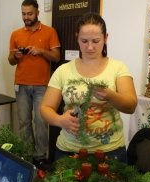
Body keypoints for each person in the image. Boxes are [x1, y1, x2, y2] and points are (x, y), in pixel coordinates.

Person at [40, 13, 137, 163]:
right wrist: (60, 120)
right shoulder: (63, 70)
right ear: (77, 38)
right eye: (84, 41)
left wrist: (111, 96)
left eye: (96, 41)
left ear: (106, 38)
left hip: (110, 152)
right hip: (69, 151)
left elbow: (131, 105)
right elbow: (45, 108)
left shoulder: (118, 67)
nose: (90, 47)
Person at [8, 0, 60, 169]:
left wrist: (41, 51)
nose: (26, 17)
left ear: (37, 12)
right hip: (21, 84)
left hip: (41, 86)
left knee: (41, 122)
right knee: (24, 122)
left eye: (29, 13)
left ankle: (40, 157)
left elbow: (56, 57)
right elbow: (10, 61)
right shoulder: (16, 34)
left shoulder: (49, 32)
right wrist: (15, 56)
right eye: (23, 14)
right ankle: (27, 155)